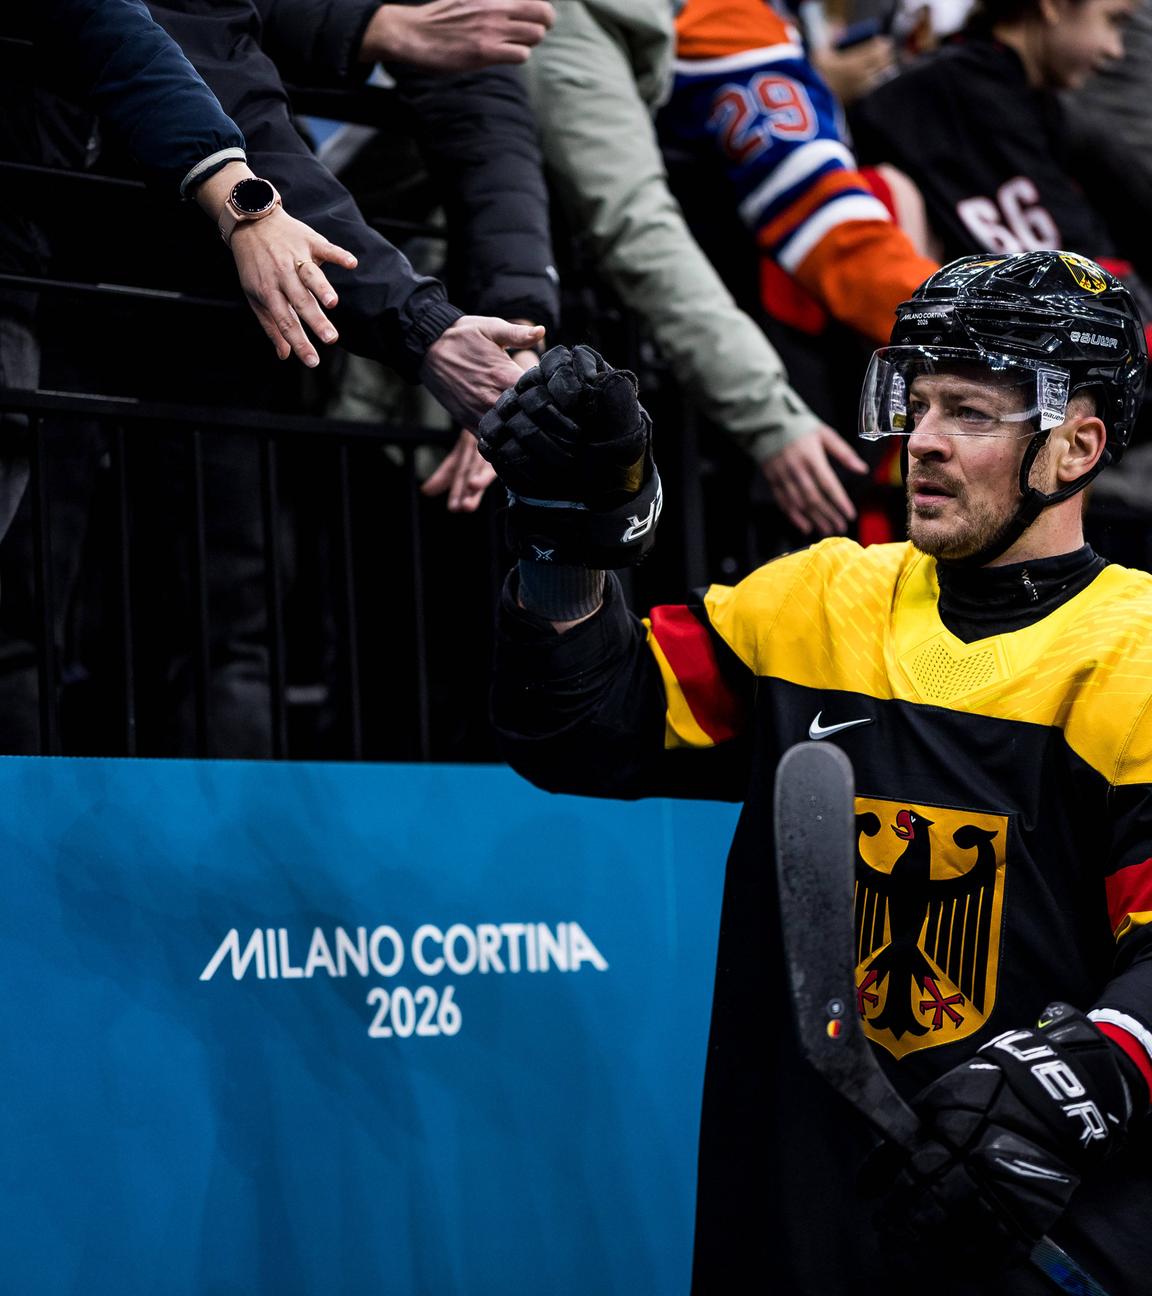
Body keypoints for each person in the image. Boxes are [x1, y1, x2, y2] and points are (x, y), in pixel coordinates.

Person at [482, 250, 1152, 1294]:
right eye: (915, 402)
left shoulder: (1138, 652)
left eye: (967, 412)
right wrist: (570, 541)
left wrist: (1077, 1074)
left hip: (1029, 1241)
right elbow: (581, 729)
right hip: (791, 1230)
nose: (920, 441)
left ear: (1076, 445)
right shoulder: (815, 600)